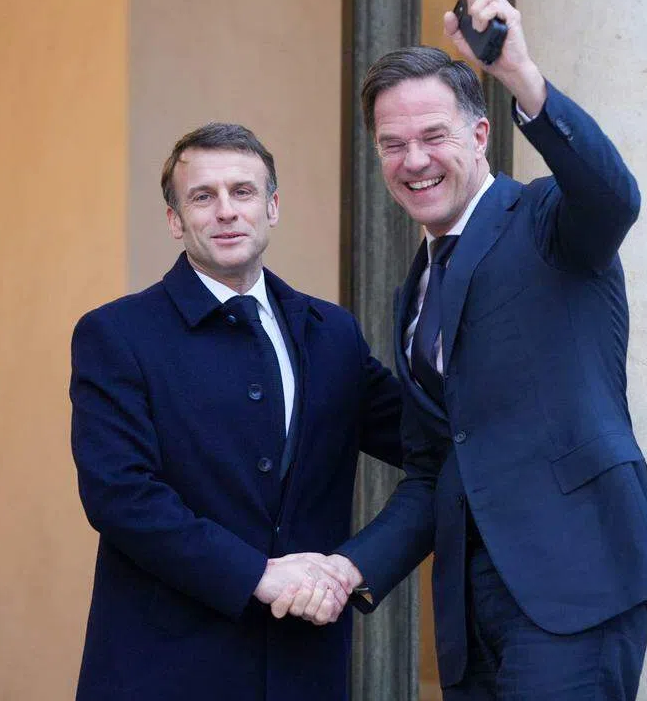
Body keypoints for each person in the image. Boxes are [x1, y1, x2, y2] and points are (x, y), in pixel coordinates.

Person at [280, 0, 647, 699]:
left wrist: (520, 73)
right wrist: (349, 566)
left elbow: (613, 196)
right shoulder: (413, 293)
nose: (414, 160)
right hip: (472, 607)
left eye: (433, 136)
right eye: (393, 144)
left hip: (577, 582)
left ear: (480, 134)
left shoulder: (546, 219)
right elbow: (433, 469)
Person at [68, 122, 402, 700]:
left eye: (243, 192)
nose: (226, 211)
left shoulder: (333, 334)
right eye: (203, 196)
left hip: (304, 670)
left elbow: (430, 443)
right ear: (175, 220)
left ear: (272, 207)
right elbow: (120, 495)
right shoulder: (117, 334)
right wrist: (258, 575)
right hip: (165, 671)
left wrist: (357, 564)